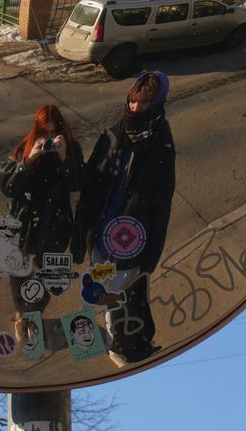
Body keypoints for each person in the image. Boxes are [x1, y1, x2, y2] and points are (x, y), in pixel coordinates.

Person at [76, 71, 175, 366]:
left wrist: (153, 251)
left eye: (143, 104)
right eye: (132, 101)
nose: (134, 109)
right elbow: (91, 179)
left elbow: (162, 201)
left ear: (155, 104)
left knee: (120, 291)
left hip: (132, 235)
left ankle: (119, 347)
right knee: (105, 289)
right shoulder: (115, 132)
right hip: (103, 230)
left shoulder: (161, 141)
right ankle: (118, 342)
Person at [0, 105, 84, 331]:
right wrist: (29, 161)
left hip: (55, 226)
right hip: (24, 225)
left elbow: (79, 184)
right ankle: (22, 312)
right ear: (36, 131)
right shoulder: (24, 148)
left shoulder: (71, 149)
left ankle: (33, 315)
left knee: (47, 276)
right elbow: (6, 185)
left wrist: (64, 158)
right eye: (44, 134)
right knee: (18, 274)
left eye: (54, 134)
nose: (49, 141)